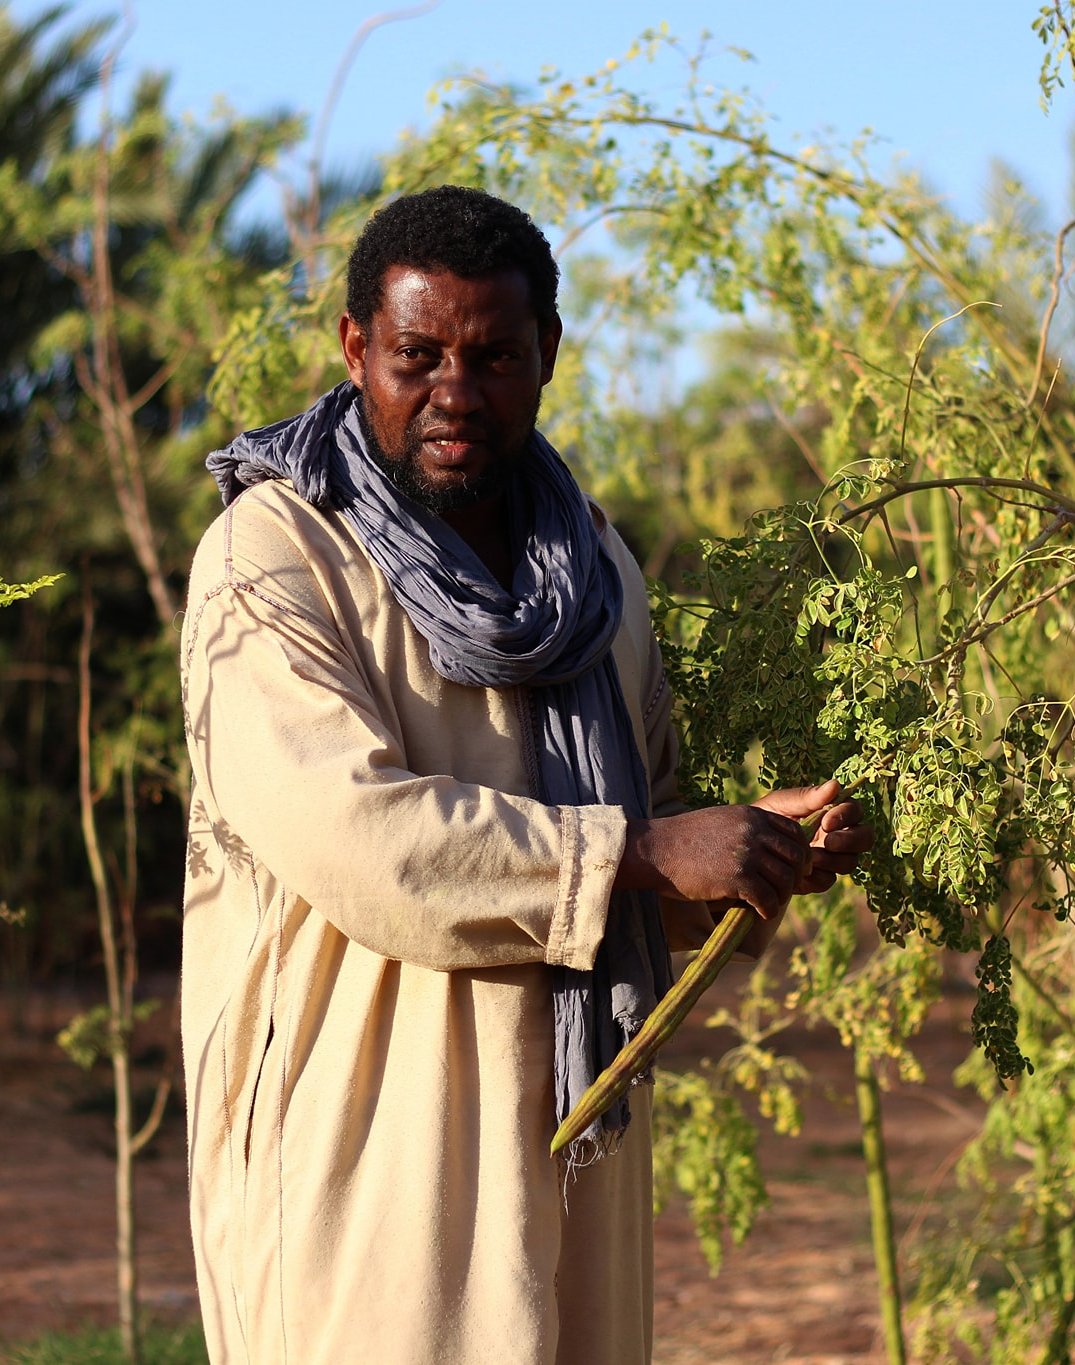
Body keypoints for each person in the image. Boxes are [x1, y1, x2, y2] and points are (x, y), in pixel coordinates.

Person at [180, 185, 874, 1365]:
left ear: (545, 352)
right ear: (355, 349)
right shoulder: (271, 553)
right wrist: (642, 854)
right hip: (366, 1136)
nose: (454, 391)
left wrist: (750, 857)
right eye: (417, 354)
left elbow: (651, 827)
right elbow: (352, 835)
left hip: (569, 1140)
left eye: (493, 355)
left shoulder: (593, 568)